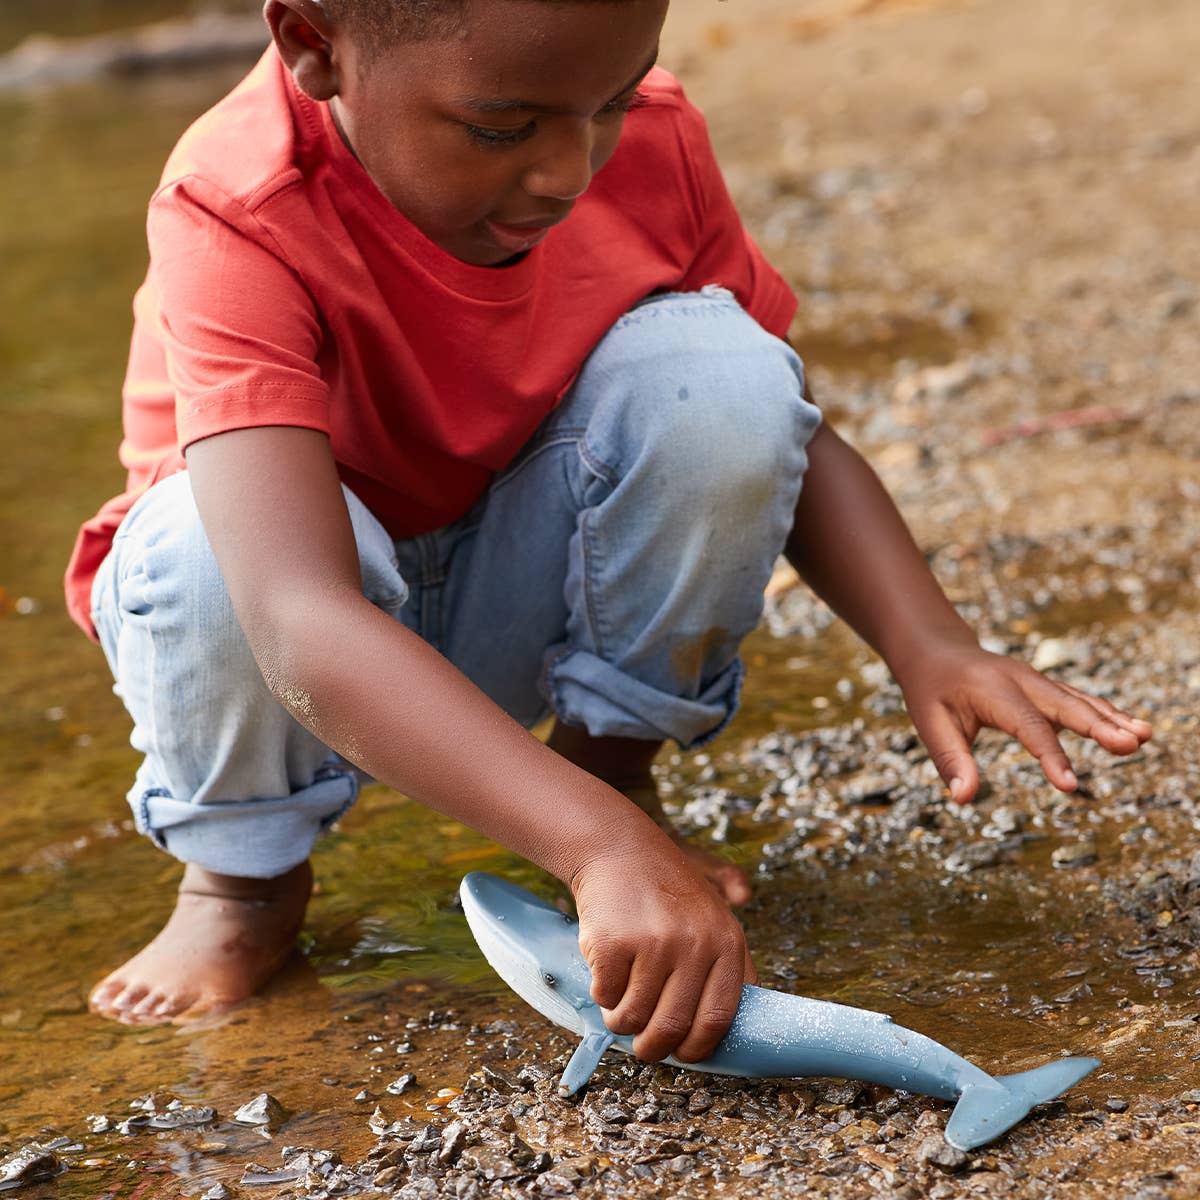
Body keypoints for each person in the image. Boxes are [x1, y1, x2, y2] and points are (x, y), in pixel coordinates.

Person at [66, 0, 1150, 1060]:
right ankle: (242, 881)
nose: (566, 171)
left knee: (722, 374)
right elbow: (296, 618)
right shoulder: (238, 200)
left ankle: (612, 771)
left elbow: (783, 431)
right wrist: (597, 851)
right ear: (314, 46)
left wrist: (930, 641)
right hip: (294, 640)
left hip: (513, 598)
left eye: (612, 103)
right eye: (504, 127)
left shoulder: (644, 136)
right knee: (206, 550)